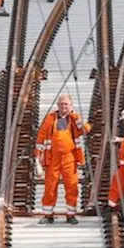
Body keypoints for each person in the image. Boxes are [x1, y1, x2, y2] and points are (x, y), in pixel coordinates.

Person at [35, 93, 90, 224]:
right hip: (52, 158)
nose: (63, 106)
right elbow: (40, 138)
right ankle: (48, 215)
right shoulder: (50, 118)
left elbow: (85, 129)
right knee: (50, 186)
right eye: (61, 104)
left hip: (69, 158)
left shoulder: (74, 118)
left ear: (71, 106)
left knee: (71, 186)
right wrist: (37, 159)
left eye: (66, 104)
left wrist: (75, 115)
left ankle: (71, 215)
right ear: (57, 105)